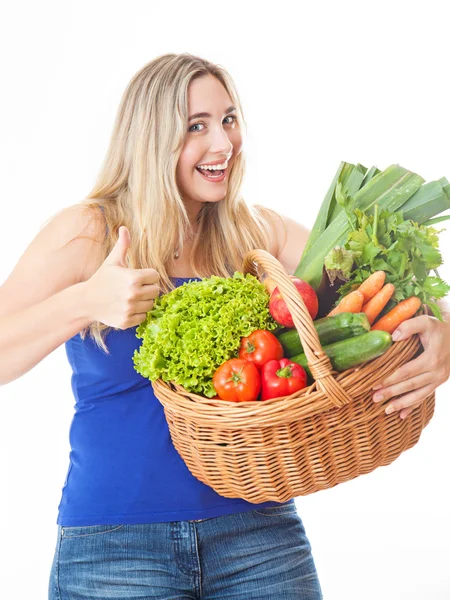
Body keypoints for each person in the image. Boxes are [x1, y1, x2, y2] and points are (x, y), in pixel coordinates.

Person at [0, 53, 449, 600]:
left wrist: (442, 330)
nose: (223, 144)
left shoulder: (255, 232)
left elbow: (387, 289)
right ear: (151, 138)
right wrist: (84, 300)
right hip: (116, 545)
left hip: (260, 535)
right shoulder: (89, 231)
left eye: (229, 120)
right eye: (196, 126)